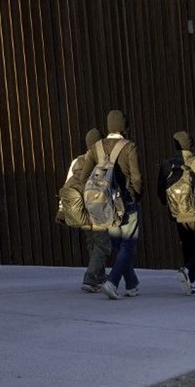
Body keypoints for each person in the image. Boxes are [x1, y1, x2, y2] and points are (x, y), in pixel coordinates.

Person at [77, 109, 143, 299]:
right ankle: (112, 282)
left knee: (119, 245)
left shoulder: (96, 147)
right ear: (124, 127)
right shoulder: (129, 146)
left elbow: (83, 177)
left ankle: (131, 284)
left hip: (106, 206)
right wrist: (137, 195)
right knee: (128, 244)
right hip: (126, 202)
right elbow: (136, 178)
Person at [157, 131, 195, 296]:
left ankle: (191, 281)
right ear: (191, 144)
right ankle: (187, 269)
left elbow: (161, 190)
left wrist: (169, 205)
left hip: (178, 214)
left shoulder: (167, 164)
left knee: (187, 244)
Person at [66, 128, 111, 292]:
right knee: (103, 245)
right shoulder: (103, 161)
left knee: (92, 243)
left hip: (80, 208)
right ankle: (90, 279)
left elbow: (67, 184)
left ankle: (99, 277)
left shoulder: (76, 161)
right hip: (97, 207)